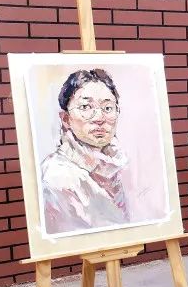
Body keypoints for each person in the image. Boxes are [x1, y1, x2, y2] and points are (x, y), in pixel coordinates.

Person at [40, 69, 129, 235]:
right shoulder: (57, 175)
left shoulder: (118, 166)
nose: (99, 118)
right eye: (86, 107)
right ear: (65, 119)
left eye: (107, 108)